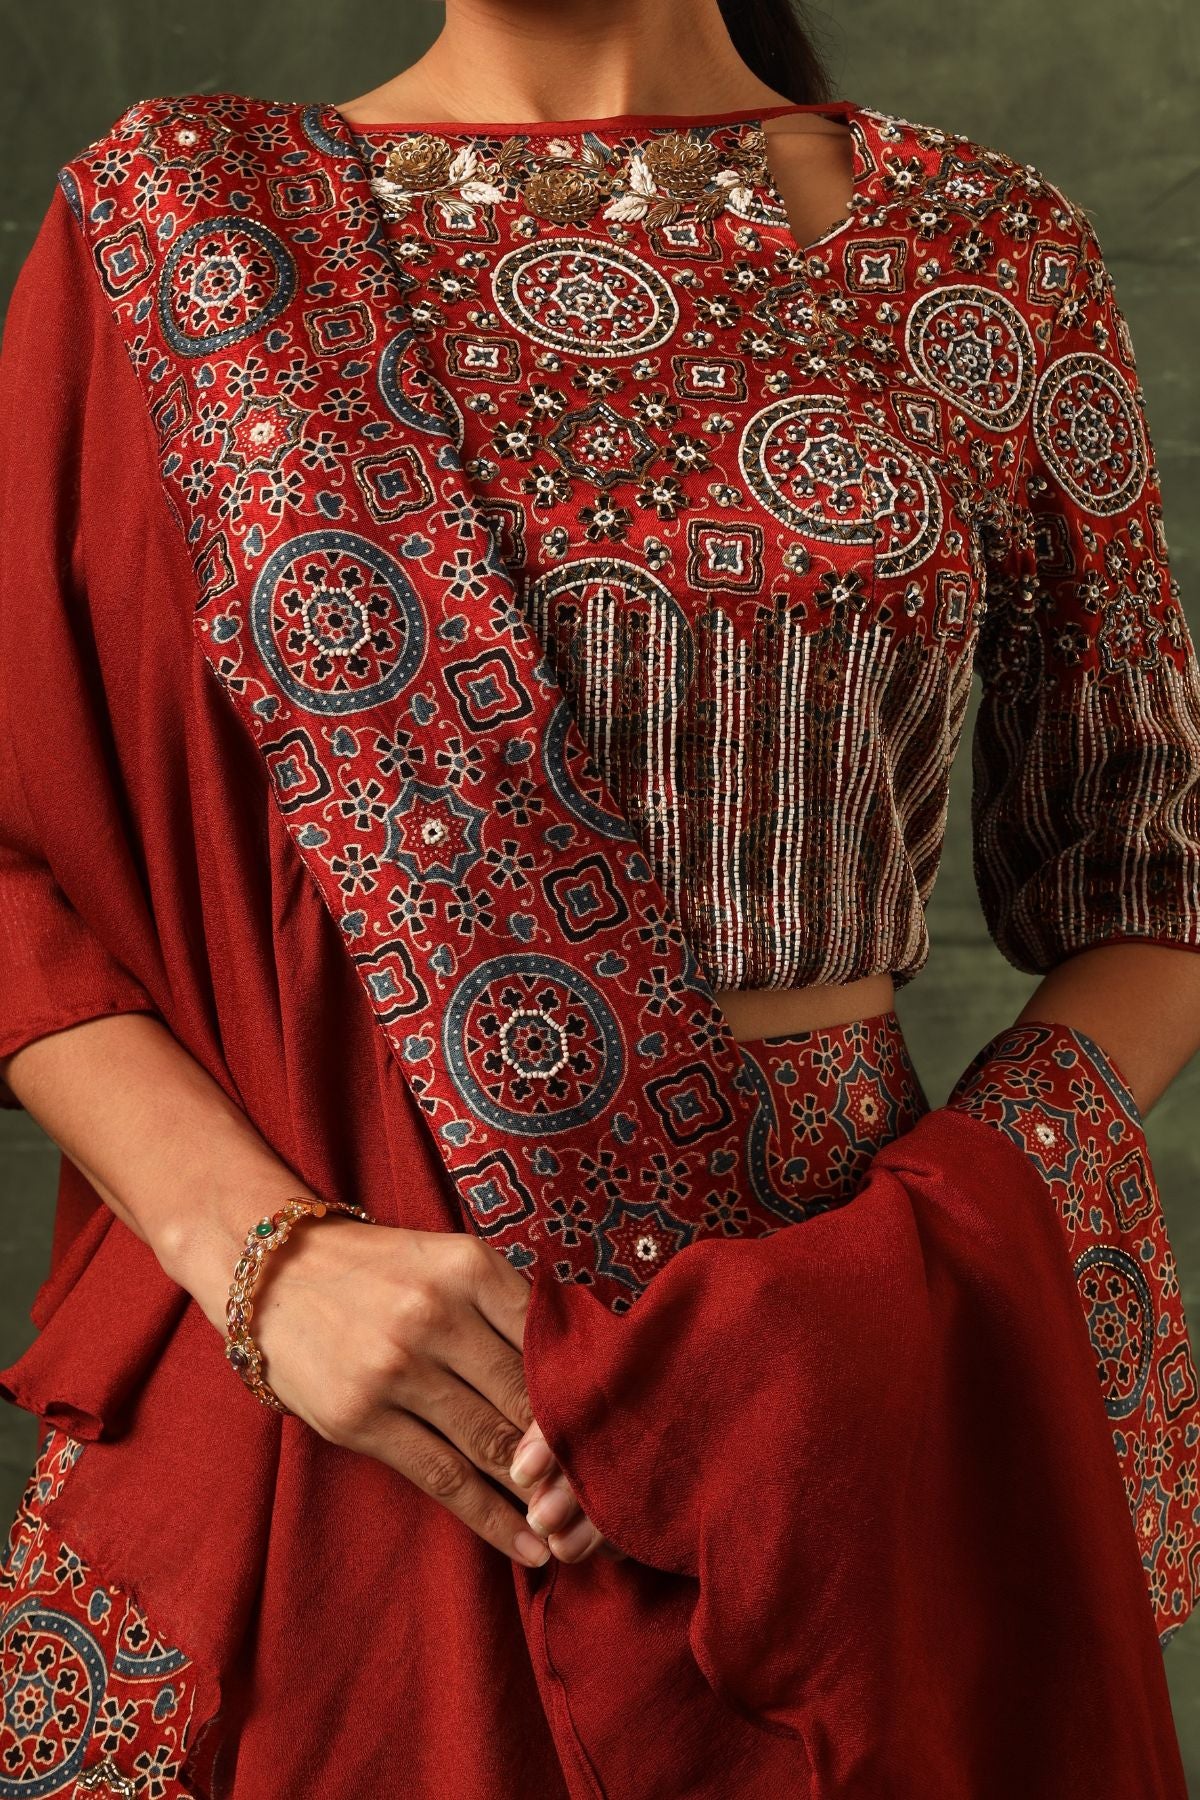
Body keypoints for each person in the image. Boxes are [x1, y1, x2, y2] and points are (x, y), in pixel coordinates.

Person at [1, 0, 1199, 1793]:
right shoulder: (187, 229)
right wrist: (262, 1262)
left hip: (836, 1380)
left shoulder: (979, 249)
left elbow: (1156, 872)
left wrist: (924, 1255)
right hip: (371, 1387)